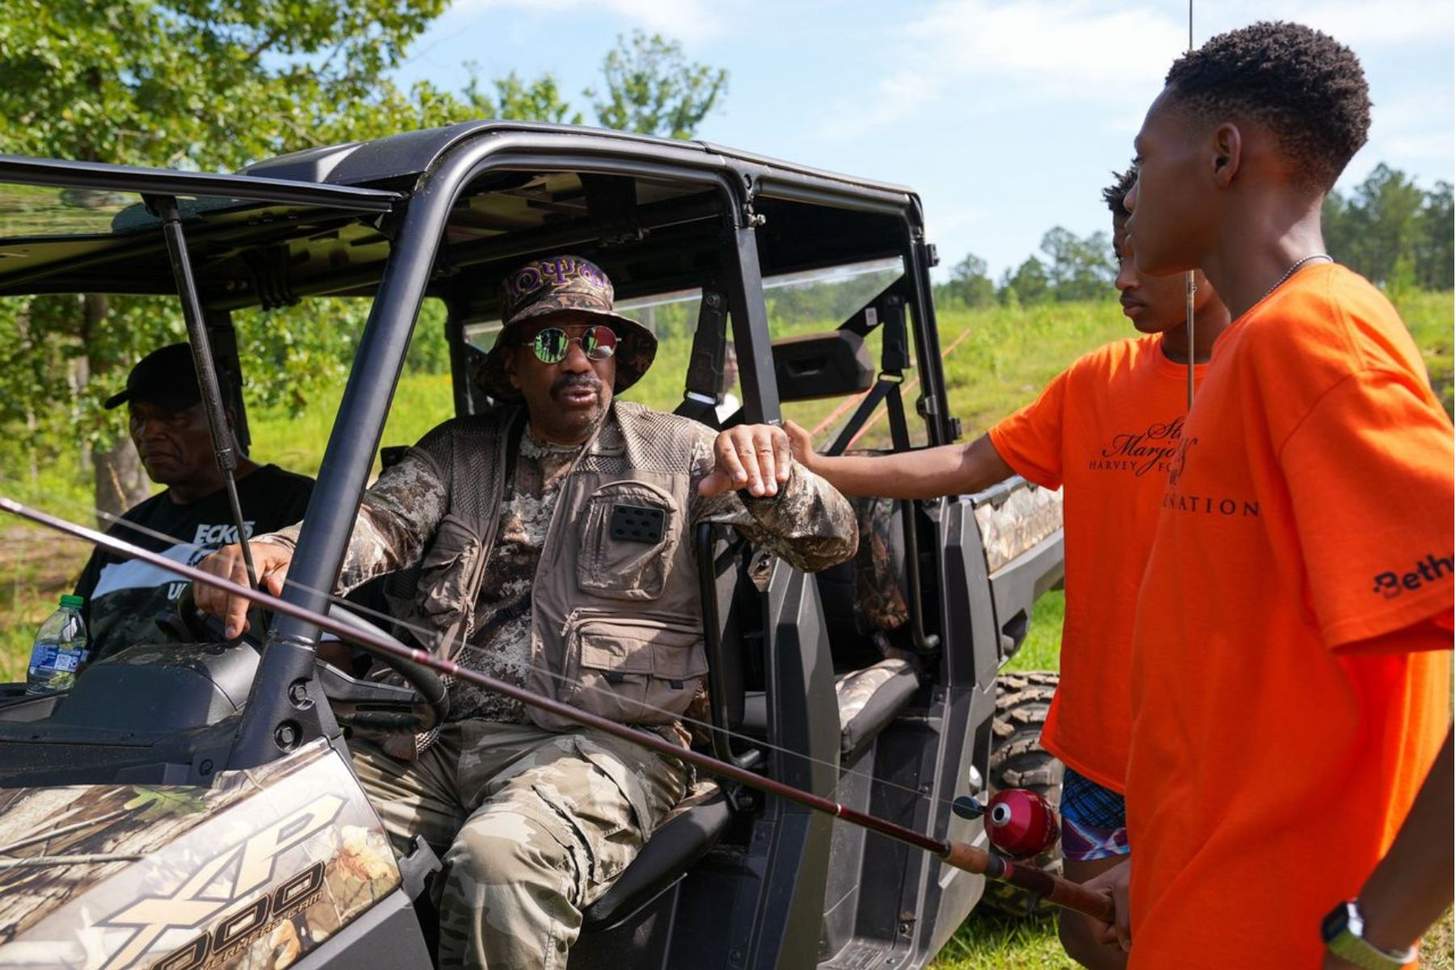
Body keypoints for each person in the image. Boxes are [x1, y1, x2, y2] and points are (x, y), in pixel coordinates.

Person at [195, 254, 856, 970]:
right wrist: (282, 550)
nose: (577, 360)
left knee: (498, 864)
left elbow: (833, 538)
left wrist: (775, 485)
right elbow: (376, 525)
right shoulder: (459, 455)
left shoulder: (685, 454)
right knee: (279, 846)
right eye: (549, 343)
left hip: (607, 746)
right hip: (430, 742)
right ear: (511, 367)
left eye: (595, 342)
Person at [785, 170, 1230, 969]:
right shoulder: (1099, 381)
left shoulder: (1269, 373)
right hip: (1103, 743)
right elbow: (966, 462)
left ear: (1206, 245)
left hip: (1222, 745)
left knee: (1214, 932)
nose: (1124, 279)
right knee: (1097, 934)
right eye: (1116, 255)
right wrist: (821, 468)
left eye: (1146, 259)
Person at [1087, 23, 1453, 969]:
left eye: (1143, 157)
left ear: (1222, 155)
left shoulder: (1315, 338)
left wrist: (1375, 936)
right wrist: (1162, 864)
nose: (1132, 190)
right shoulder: (1250, 345)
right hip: (1206, 898)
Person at [72, 343, 313, 659]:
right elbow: (70, 647)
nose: (150, 432)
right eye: (139, 417)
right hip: (98, 704)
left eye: (173, 417)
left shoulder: (296, 507)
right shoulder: (125, 534)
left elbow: (329, 655)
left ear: (224, 420)